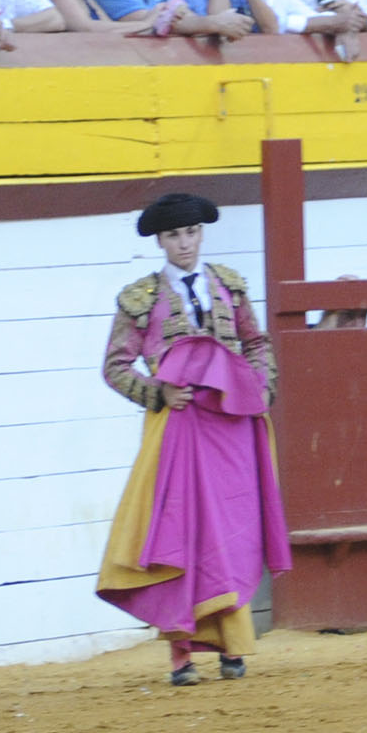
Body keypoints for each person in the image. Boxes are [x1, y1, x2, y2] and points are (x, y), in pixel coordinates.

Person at [98, 194, 291, 687]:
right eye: (173, 236)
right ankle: (180, 656)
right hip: (177, 426)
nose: (184, 244)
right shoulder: (140, 299)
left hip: (229, 425)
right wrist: (157, 391)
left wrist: (259, 391)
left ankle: (233, 647)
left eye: (190, 233)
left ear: (201, 234)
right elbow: (115, 366)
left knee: (232, 530)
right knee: (181, 531)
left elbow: (257, 342)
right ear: (160, 242)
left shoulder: (228, 286)